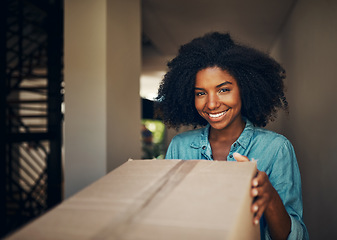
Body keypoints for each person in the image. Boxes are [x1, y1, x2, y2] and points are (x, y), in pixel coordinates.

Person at [155, 32, 309, 240]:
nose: (211, 104)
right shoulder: (180, 146)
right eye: (200, 93)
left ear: (244, 89)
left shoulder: (276, 149)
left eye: (223, 90)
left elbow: (295, 237)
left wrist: (270, 197)